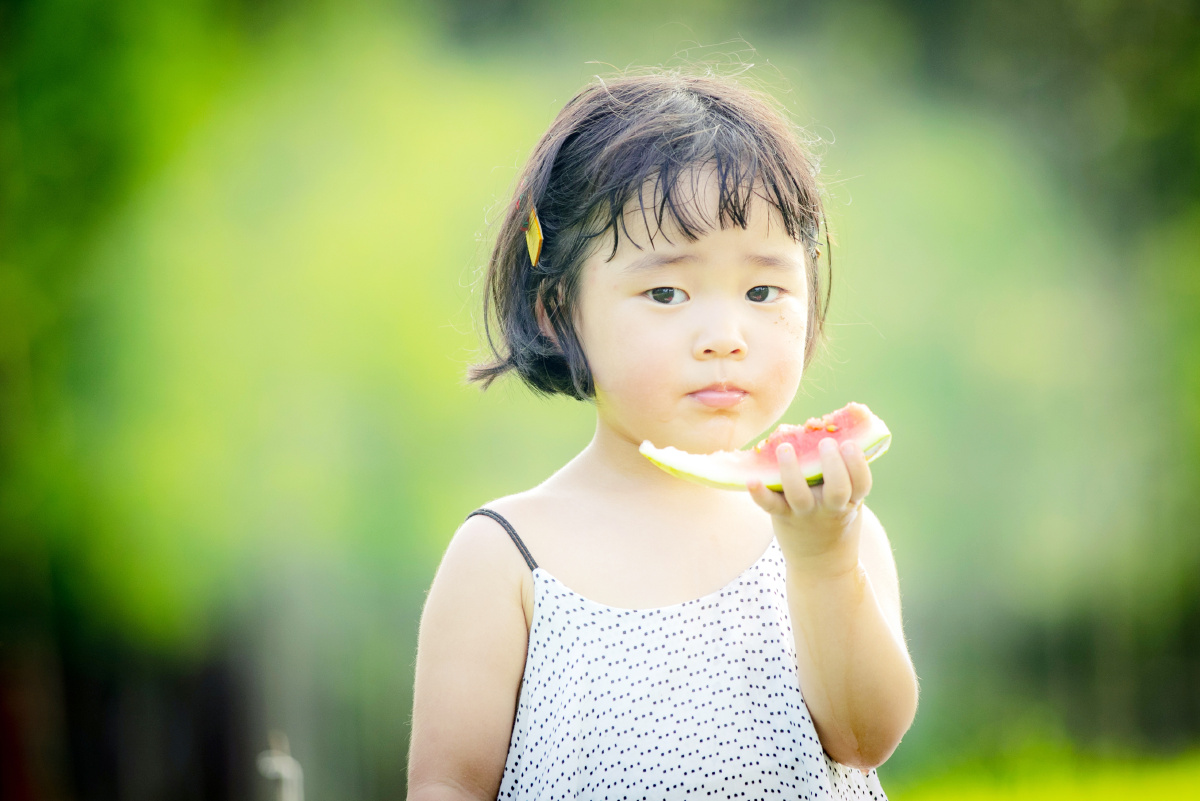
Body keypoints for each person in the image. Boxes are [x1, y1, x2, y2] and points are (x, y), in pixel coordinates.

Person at [407, 69, 918, 800]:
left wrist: (823, 564)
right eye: (666, 292)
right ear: (559, 311)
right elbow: (446, 787)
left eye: (763, 290)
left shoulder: (836, 528)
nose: (724, 336)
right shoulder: (505, 555)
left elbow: (864, 740)